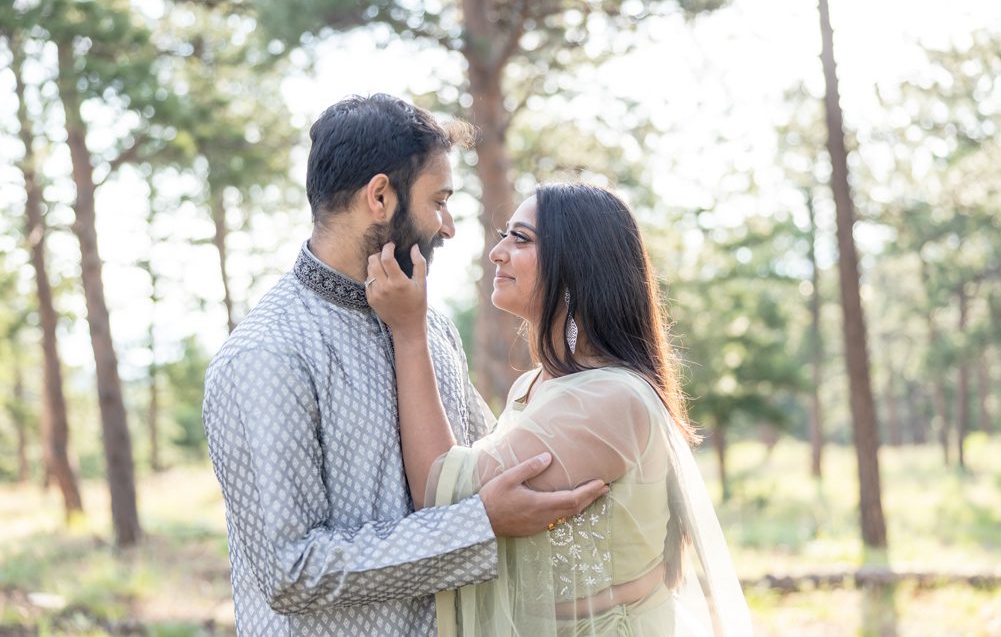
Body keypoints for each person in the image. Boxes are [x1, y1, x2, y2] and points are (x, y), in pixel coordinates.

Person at [201, 95, 608, 636]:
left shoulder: (430, 327)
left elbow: (485, 469)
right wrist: (476, 526)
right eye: (439, 201)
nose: (449, 226)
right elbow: (291, 570)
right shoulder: (268, 355)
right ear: (380, 197)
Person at [366, 182, 753, 636]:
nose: (497, 252)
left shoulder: (609, 399)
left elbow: (440, 491)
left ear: (576, 268)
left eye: (521, 239)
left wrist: (409, 332)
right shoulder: (534, 385)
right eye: (504, 235)